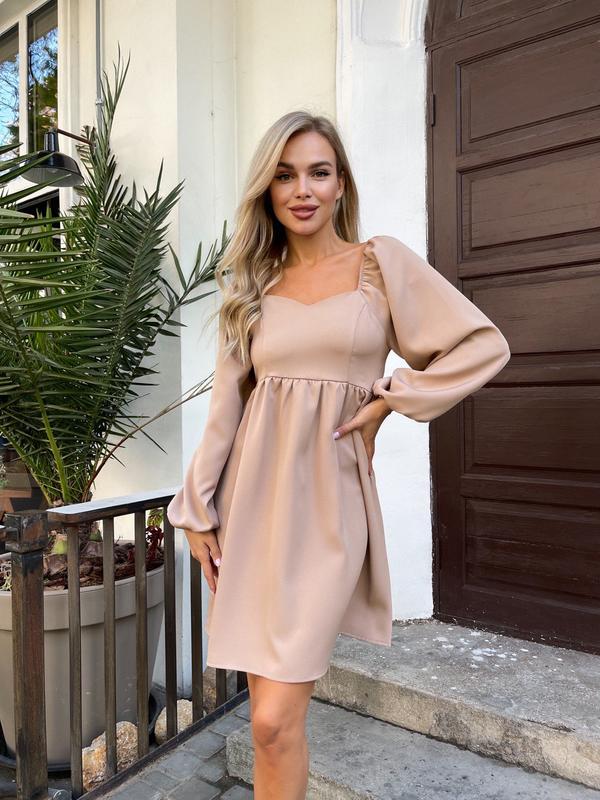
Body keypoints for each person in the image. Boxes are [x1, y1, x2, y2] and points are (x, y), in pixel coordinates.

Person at [167, 110, 511, 798]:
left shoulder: (379, 264)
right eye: (285, 175)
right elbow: (227, 409)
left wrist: (392, 397)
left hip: (331, 505)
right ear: (267, 190)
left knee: (274, 717)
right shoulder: (251, 287)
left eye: (318, 173)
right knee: (269, 729)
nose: (302, 189)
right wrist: (196, 511)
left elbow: (482, 345)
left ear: (341, 183)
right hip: (253, 509)